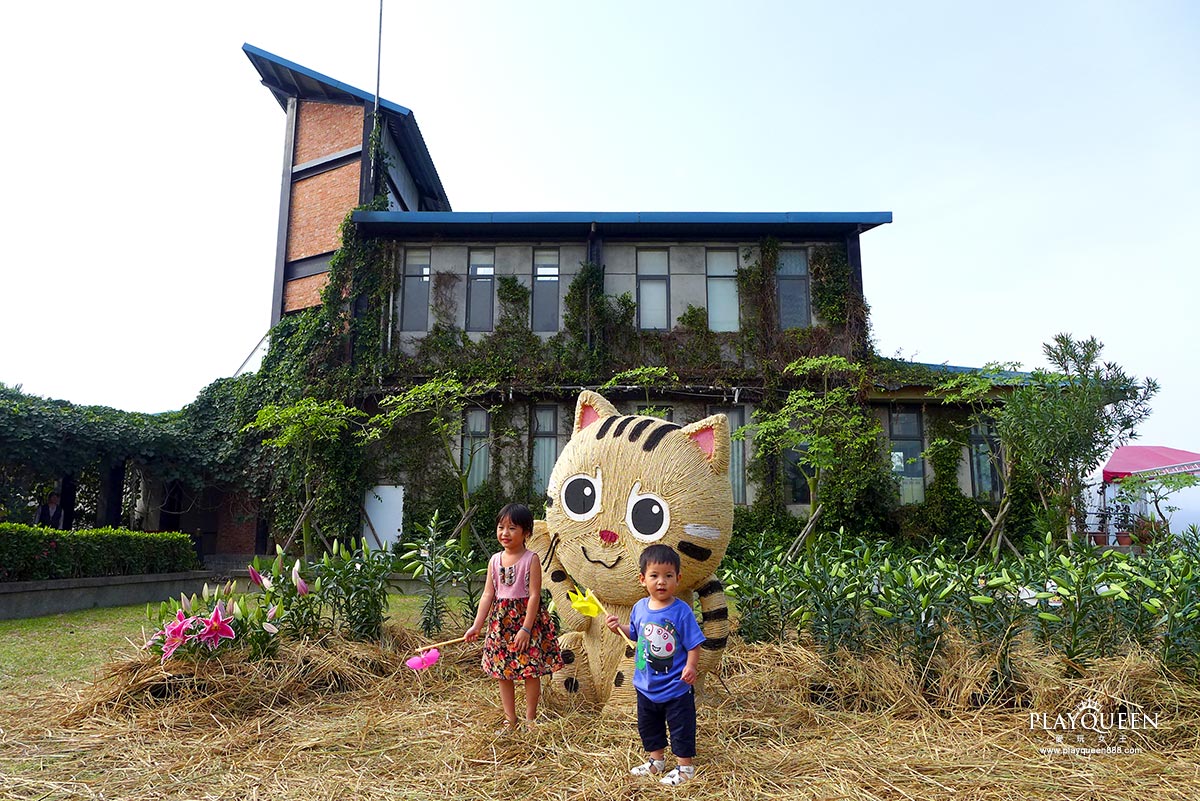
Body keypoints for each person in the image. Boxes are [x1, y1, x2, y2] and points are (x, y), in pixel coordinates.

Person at [606, 543, 707, 786]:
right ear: (643, 579)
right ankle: (656, 760)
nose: (661, 582)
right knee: (648, 725)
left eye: (668, 576)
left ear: (678, 579)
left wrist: (691, 667)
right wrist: (619, 627)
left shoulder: (681, 612)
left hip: (675, 686)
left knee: (681, 726)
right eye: (654, 575)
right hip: (645, 685)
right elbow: (636, 633)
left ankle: (684, 767)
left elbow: (694, 644)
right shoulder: (639, 608)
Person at [465, 503, 563, 733]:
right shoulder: (494, 561)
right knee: (503, 672)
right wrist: (476, 626)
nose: (505, 533)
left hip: (526, 623)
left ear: (526, 533)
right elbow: (488, 594)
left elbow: (534, 595)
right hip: (501, 624)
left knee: (530, 671)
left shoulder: (531, 559)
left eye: (512, 528)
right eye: (501, 527)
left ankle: (530, 719)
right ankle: (510, 719)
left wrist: (526, 629)